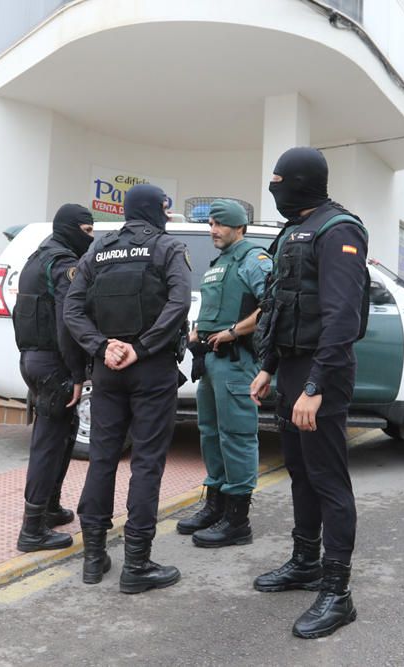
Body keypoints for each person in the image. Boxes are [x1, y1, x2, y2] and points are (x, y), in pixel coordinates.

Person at [249, 147, 370, 639]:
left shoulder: (338, 228)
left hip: (324, 373)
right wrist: (268, 367)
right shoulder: (294, 228)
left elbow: (342, 318)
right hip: (293, 369)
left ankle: (338, 593)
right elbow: (281, 303)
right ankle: (305, 562)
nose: (273, 188)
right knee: (299, 471)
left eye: (279, 180)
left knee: (327, 478)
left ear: (300, 180)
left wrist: (316, 386)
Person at [64, 184, 192, 594]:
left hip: (108, 369)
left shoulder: (97, 250)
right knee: (147, 463)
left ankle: (93, 557)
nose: (167, 218)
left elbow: (72, 308)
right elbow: (179, 302)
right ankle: (136, 565)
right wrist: (142, 348)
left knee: (102, 459)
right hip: (150, 369)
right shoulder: (167, 247)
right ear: (154, 210)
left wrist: (102, 347)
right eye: (164, 210)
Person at [178, 199, 272, 548]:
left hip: (235, 361)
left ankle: (237, 520)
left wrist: (233, 332)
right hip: (211, 362)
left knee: (237, 435)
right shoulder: (220, 263)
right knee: (210, 433)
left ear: (239, 228)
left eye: (220, 225)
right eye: (211, 224)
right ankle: (215, 505)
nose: (213, 230)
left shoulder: (254, 259)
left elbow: (271, 306)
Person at [12, 203, 95, 552]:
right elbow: (67, 321)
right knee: (49, 442)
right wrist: (78, 372)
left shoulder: (38, 256)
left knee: (63, 434)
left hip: (33, 359)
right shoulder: (63, 263)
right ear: (70, 228)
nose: (90, 238)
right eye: (87, 231)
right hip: (53, 363)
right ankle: (32, 530)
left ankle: (49, 508)